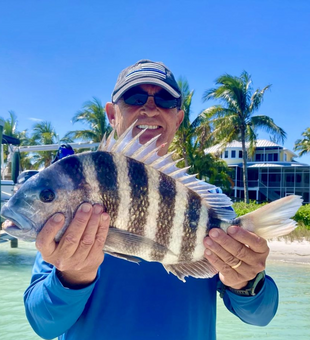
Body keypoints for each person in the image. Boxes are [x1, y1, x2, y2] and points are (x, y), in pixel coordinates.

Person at [24, 60, 278, 340]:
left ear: (178, 118)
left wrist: (246, 281)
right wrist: (72, 276)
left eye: (166, 100)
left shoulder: (211, 204)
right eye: (134, 98)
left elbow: (260, 315)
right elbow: (43, 323)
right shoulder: (76, 191)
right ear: (111, 114)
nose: (150, 107)